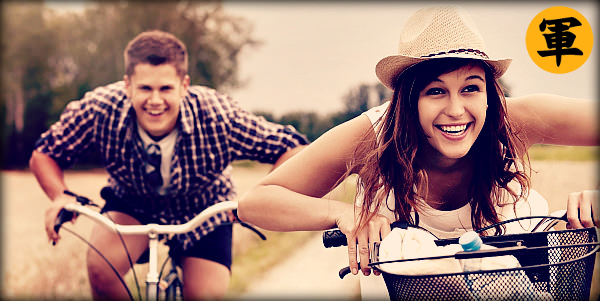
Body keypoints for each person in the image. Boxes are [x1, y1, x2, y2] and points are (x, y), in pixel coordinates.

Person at [237, 6, 598, 299]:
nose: (456, 110)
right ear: (408, 100)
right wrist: (346, 214)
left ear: (490, 92)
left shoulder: (516, 120)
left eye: (471, 88)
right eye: (436, 91)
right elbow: (257, 203)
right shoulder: (373, 137)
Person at [30, 30, 308, 300]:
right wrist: (60, 195)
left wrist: (254, 200)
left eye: (165, 88)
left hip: (206, 207)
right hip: (133, 202)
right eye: (145, 88)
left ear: (184, 86)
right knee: (101, 271)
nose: (155, 100)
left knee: (205, 295)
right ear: (127, 85)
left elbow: (293, 148)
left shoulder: (218, 115)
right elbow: (45, 152)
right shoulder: (101, 109)